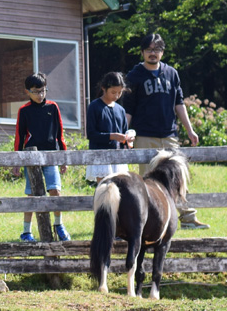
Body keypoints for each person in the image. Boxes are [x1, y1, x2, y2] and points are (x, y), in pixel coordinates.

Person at [120, 32, 207, 228]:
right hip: (144, 135)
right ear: (142, 52)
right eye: (149, 49)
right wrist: (124, 135)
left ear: (162, 52)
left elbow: (179, 103)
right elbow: (129, 109)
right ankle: (150, 217)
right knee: (148, 178)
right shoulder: (134, 75)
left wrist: (190, 130)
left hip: (169, 134)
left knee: (179, 175)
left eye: (157, 49)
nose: (153, 53)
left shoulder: (171, 73)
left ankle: (187, 217)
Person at [11, 72, 70, 242]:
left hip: (51, 156)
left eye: (43, 90)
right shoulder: (24, 111)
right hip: (31, 159)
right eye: (36, 91)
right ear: (27, 92)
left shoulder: (53, 107)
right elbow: (19, 136)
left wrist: (63, 157)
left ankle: (59, 225)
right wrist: (17, 160)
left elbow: (60, 134)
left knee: (55, 190)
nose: (40, 95)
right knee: (32, 195)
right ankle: (26, 231)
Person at [85, 71, 134, 184]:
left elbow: (124, 133)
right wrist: (112, 136)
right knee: (104, 190)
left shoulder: (120, 110)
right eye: (113, 92)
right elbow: (91, 134)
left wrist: (128, 140)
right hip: (100, 155)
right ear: (103, 88)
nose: (116, 96)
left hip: (118, 157)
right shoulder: (94, 106)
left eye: (119, 92)